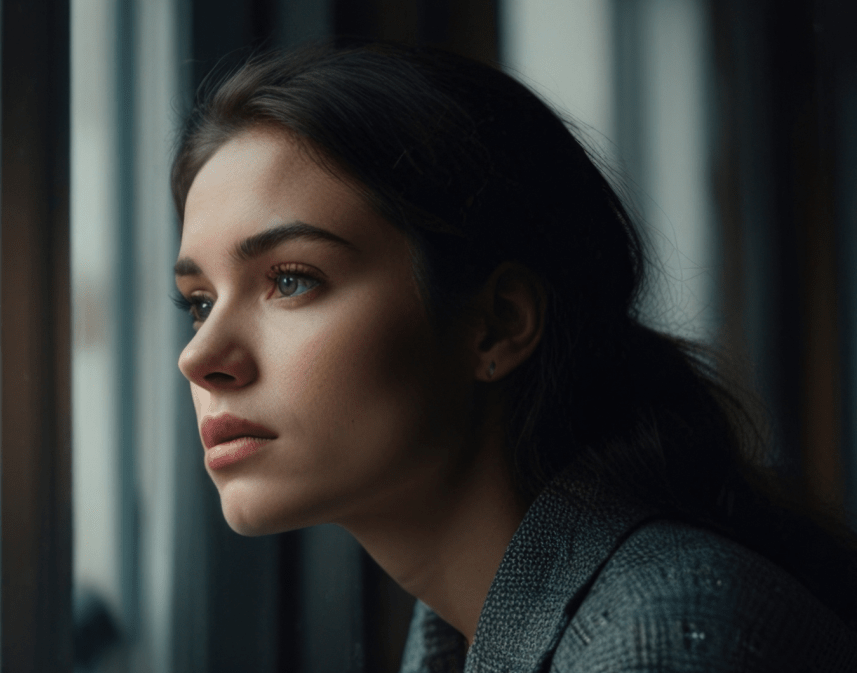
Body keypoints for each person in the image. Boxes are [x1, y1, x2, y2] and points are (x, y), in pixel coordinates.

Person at [169, 41, 857, 672]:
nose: (199, 356)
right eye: (198, 301)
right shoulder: (461, 626)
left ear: (497, 324)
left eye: (291, 280)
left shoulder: (658, 639)